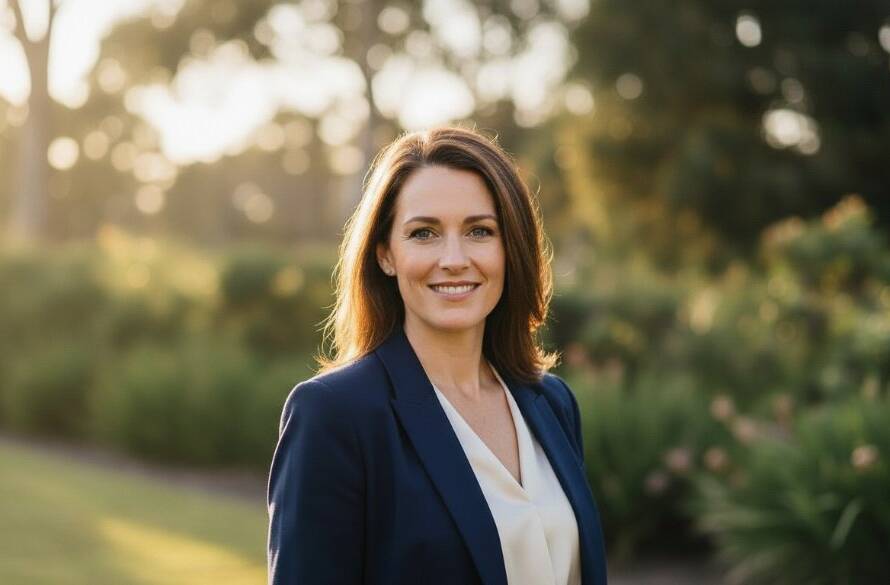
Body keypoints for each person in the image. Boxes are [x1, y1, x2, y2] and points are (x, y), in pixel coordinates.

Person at [267, 126, 608, 585]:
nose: (454, 258)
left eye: (480, 231)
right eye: (424, 233)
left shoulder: (551, 403)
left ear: (511, 248)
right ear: (386, 253)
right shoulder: (335, 415)